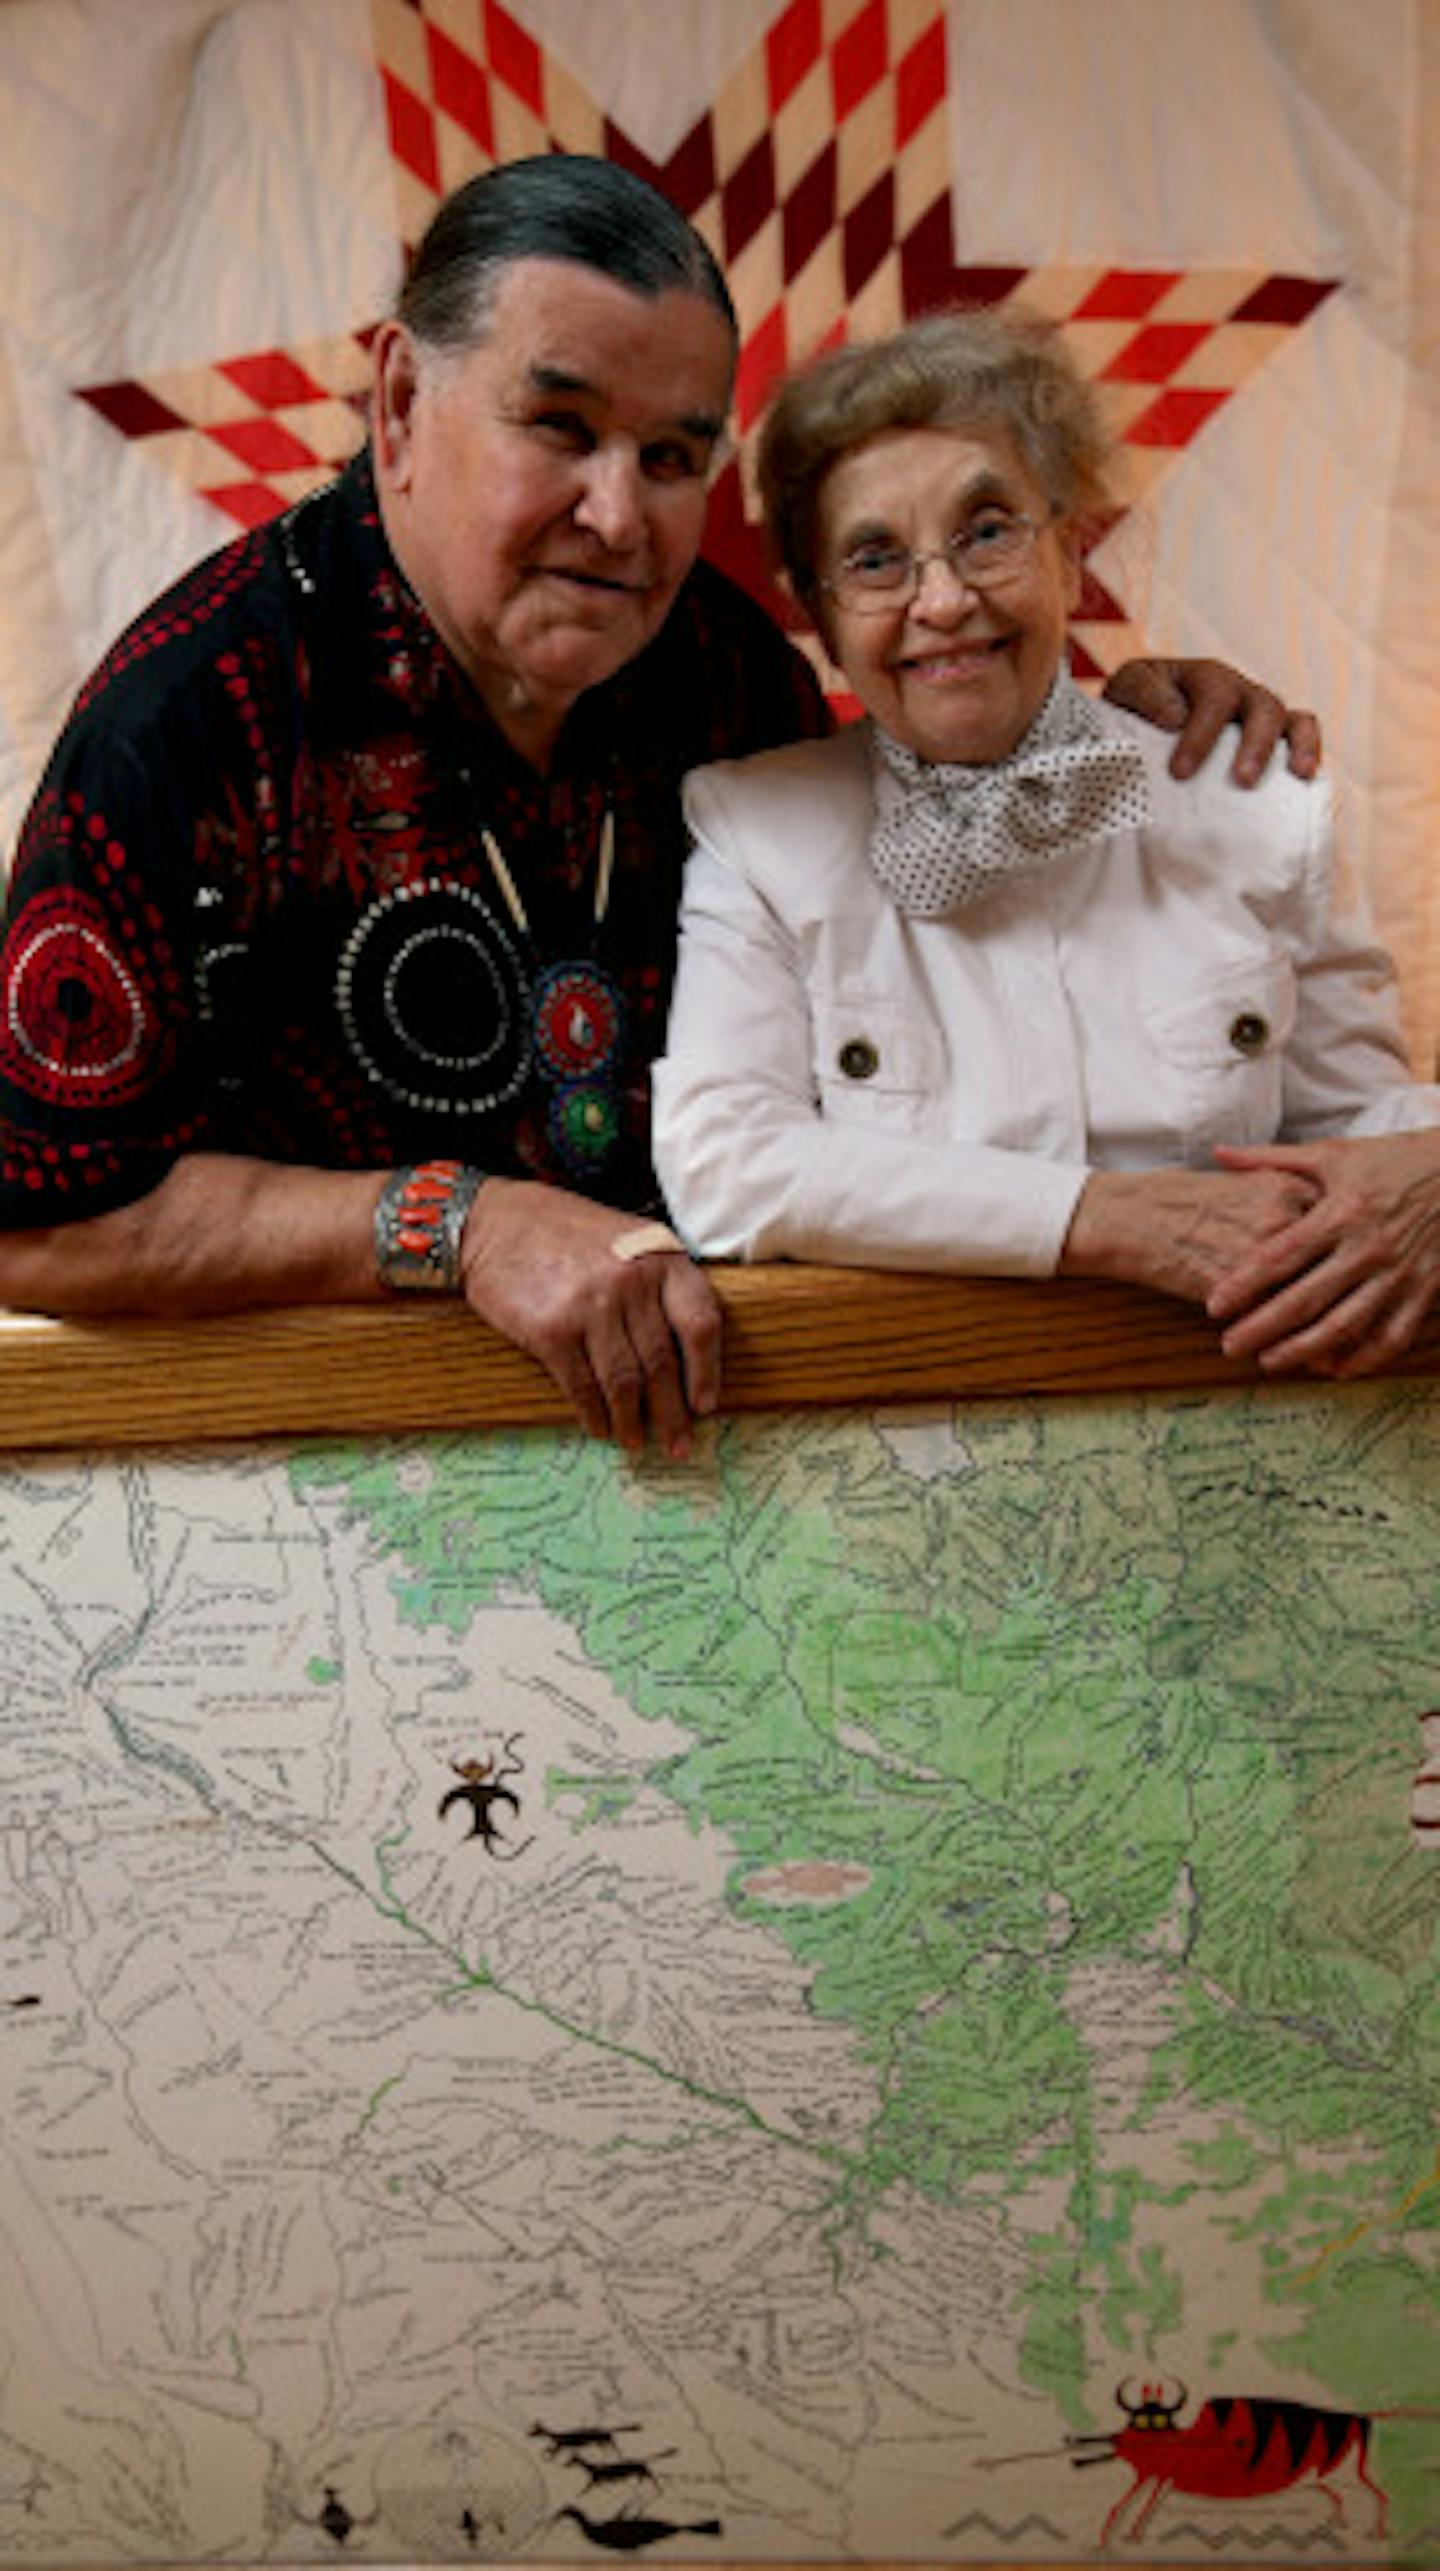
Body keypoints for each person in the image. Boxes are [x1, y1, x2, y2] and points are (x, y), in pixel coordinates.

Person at [0, 160, 1320, 1453]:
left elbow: (922, 907)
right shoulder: (184, 726)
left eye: (674, 454)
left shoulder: (725, 666)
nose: (620, 516)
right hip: (336, 1490)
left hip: (728, 1460)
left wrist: (1119, 734)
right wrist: (461, 1226)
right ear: (400, 404)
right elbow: (38, 1220)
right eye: (561, 428)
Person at [652, 305, 1440, 1376]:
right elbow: (725, 1165)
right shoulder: (756, 831)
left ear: (1069, 547)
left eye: (987, 532)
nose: (944, 600)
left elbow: (1363, 1133)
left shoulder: (1265, 805)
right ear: (823, 617)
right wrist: (1101, 1219)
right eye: (876, 560)